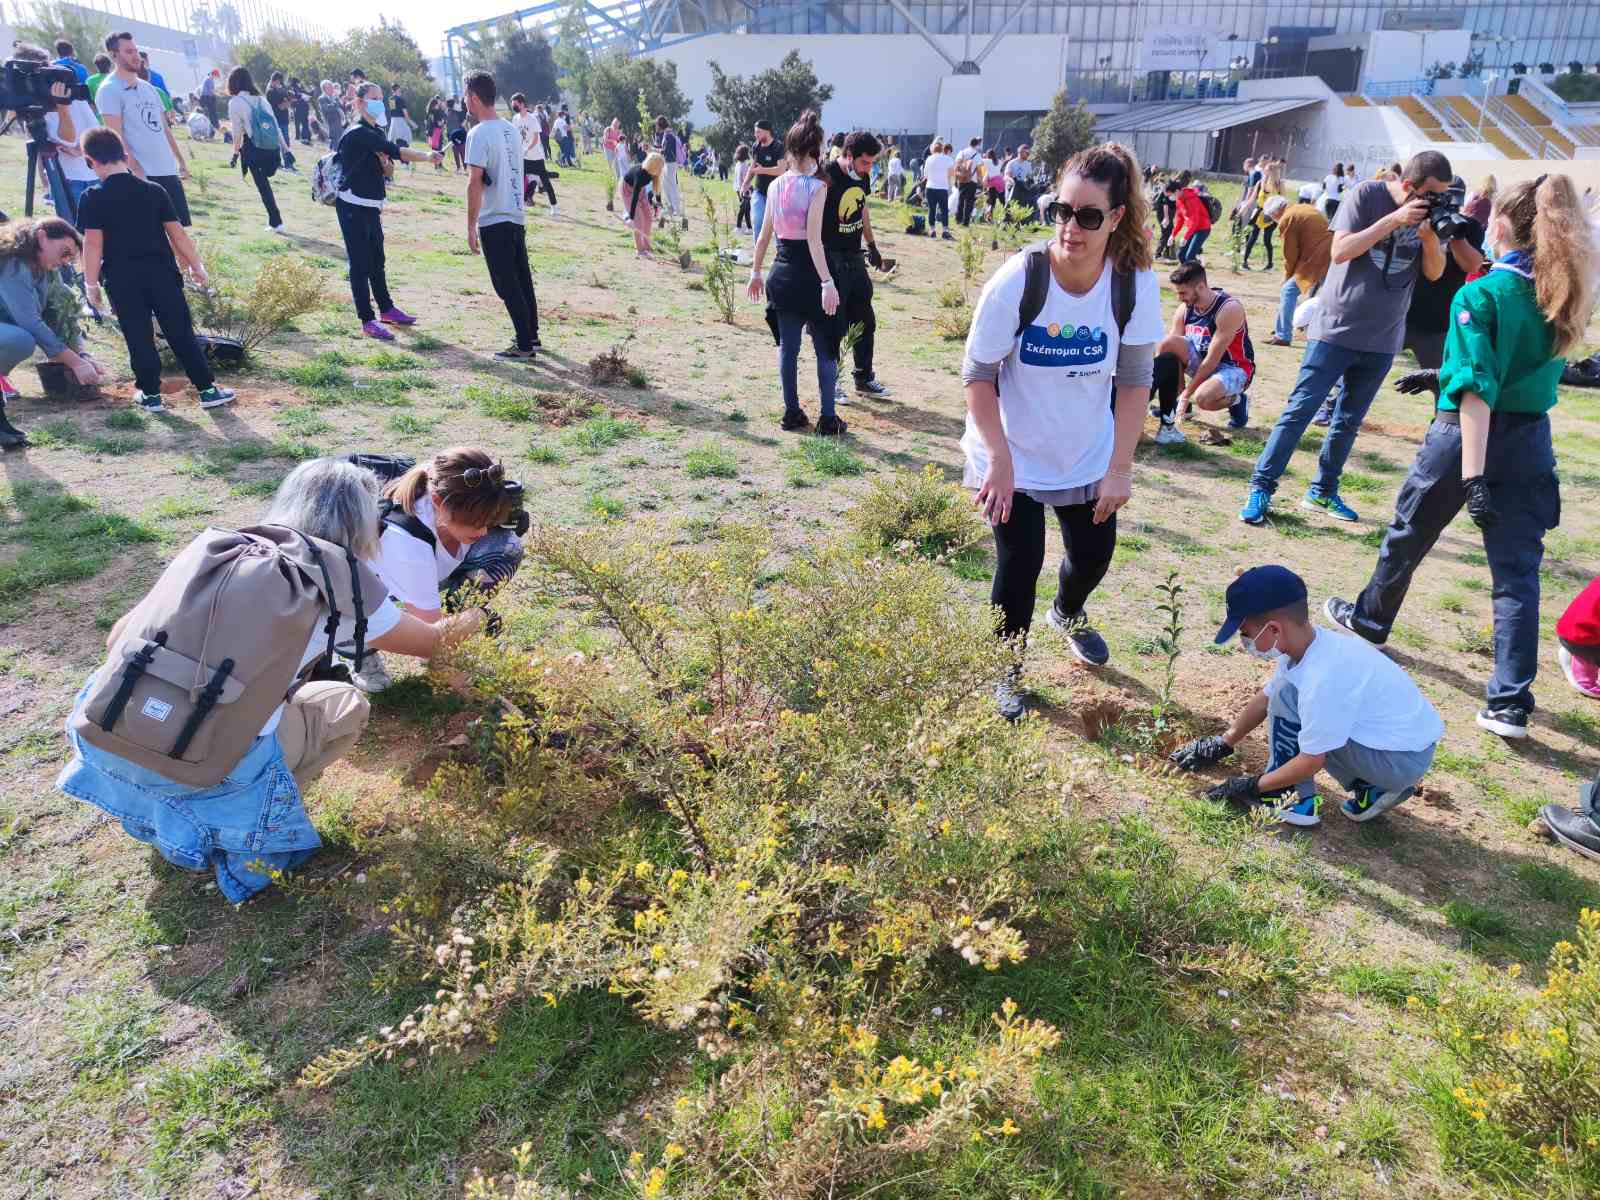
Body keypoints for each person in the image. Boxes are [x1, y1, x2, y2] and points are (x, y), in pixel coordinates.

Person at [56, 457, 486, 902]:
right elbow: (434, 642)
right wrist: (479, 610)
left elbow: (115, 638)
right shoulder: (342, 582)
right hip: (204, 765)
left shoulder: (216, 546)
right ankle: (250, 831)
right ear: (362, 521)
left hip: (106, 732)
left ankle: (158, 807)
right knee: (344, 704)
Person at [1325, 173, 1596, 740]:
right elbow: (1515, 369)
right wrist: (1444, 374)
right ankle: (1510, 701)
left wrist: (1472, 476)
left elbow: (1478, 392)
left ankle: (1372, 617)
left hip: (1464, 439)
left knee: (1410, 530)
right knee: (1517, 572)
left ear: (1499, 224)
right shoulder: (1558, 293)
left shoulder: (1480, 293)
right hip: (1529, 442)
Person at [962, 143, 1163, 717]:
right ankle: (1006, 669)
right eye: (1061, 210)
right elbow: (977, 373)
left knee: (1095, 552)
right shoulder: (1020, 279)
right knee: (1019, 563)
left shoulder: (1133, 282)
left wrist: (1120, 467)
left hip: (1085, 451)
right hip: (1012, 452)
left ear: (1117, 217)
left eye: (1088, 215)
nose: (1071, 227)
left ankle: (1069, 611)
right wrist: (998, 459)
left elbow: (1133, 380)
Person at [1239, 151, 1453, 526]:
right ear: (1408, 186)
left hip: (1383, 338)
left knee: (1348, 421)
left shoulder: (1431, 219)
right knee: (1299, 412)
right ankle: (1262, 486)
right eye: (1430, 195)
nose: (1434, 203)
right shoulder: (1367, 196)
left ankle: (1322, 490)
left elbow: (1434, 273)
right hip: (1336, 330)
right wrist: (1393, 220)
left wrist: (1430, 239)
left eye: (1442, 196)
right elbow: (1340, 251)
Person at [1169, 565, 1443, 827]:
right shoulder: (1310, 647)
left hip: (1398, 761)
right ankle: (1372, 788)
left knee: (1290, 701)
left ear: (1274, 629)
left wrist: (1251, 785)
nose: (1244, 642)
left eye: (1245, 633)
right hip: (1401, 751)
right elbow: (1266, 697)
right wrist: (1223, 742)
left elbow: (1313, 759)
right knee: (1286, 696)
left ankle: (1291, 798)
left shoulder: (1321, 679)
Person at [75, 128, 231, 414]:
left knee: (138, 335)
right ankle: (208, 390)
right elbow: (178, 235)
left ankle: (150, 395)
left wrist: (91, 285)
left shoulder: (92, 197)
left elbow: (93, 245)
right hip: (162, 275)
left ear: (90, 160)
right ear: (124, 155)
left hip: (122, 280)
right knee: (181, 331)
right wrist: (197, 267)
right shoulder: (153, 191)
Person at [357, 448, 525, 692]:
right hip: (359, 596)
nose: (483, 532)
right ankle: (359, 647)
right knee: (444, 633)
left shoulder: (451, 491)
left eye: (488, 520)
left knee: (506, 547)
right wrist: (477, 691)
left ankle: (452, 629)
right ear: (437, 502)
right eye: (474, 523)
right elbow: (429, 639)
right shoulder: (406, 545)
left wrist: (505, 515)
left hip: (418, 570)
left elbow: (489, 532)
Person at [747, 110, 845, 436]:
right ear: (815, 149)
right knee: (826, 348)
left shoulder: (774, 186)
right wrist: (827, 282)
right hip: (811, 277)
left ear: (790, 149)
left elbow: (763, 237)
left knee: (788, 350)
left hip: (781, 275)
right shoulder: (816, 188)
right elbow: (815, 241)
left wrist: (756, 272)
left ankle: (792, 413)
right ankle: (828, 419)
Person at [334, 83, 443, 341]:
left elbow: (389, 169)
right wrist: (427, 156)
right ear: (360, 103)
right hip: (352, 205)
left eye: (381, 98)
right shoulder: (359, 132)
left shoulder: (375, 131)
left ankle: (387, 309)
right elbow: (397, 150)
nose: (379, 103)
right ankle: (367, 319)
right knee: (360, 265)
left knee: (377, 261)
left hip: (371, 205)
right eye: (374, 99)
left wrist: (385, 164)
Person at [0, 218, 106, 446]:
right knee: (19, 340)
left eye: (70, 257)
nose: (66, 261)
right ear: (41, 236)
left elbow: (62, 311)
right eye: (64, 251)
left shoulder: (46, 269)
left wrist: (82, 355)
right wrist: (75, 364)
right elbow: (30, 322)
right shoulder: (12, 264)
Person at [463, 72, 540, 362]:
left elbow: (475, 182)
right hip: (516, 214)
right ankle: (531, 335)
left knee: (505, 283)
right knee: (522, 280)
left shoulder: (478, 133)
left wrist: (470, 226)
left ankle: (523, 344)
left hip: (494, 218)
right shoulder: (510, 129)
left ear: (472, 97)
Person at [822, 130, 892, 401]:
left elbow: (862, 209)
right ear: (847, 155)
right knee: (834, 324)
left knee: (865, 320)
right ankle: (831, 382)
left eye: (872, 163)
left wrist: (872, 246)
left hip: (854, 256)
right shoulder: (826, 176)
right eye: (864, 162)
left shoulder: (861, 176)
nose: (868, 168)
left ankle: (864, 378)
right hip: (831, 257)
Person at [1150, 259, 1253, 443]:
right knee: (1167, 345)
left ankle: (1237, 400)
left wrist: (1188, 393)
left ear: (1201, 287)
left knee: (1203, 399)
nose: (1179, 298)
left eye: (1183, 293)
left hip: (1233, 367)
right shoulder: (1185, 308)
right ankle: (1181, 405)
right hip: (1202, 362)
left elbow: (1212, 361)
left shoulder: (1229, 308)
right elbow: (1171, 355)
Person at [96, 32, 191, 225]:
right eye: (129, 51)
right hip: (143, 175)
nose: (136, 56)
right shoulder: (109, 90)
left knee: (180, 232)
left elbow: (164, 129)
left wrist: (180, 161)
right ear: (113, 55)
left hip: (167, 170)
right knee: (156, 234)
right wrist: (136, 171)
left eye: (136, 51)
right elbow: (116, 137)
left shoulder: (148, 88)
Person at [9, 42, 99, 225]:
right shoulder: (38, 105)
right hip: (67, 178)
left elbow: (95, 132)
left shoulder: (71, 92)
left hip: (94, 175)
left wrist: (80, 150)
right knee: (74, 233)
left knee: (99, 234)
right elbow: (65, 139)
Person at [1266, 189, 1331, 347]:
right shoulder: (1303, 208)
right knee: (1329, 296)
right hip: (1331, 253)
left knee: (1288, 290)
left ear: (1276, 213)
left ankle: (1283, 334)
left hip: (1319, 257)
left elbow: (1290, 253)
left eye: (1272, 217)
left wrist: (1287, 276)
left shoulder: (1287, 218)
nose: (1274, 220)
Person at [227, 66, 286, 235]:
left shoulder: (235, 103)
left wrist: (235, 152)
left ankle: (276, 222)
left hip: (254, 149)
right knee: (266, 179)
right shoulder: (261, 99)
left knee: (263, 186)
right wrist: (285, 148)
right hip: (272, 148)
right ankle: (275, 221)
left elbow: (237, 132)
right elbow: (274, 124)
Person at [510, 93, 559, 215]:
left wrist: (527, 148)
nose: (513, 107)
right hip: (523, 158)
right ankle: (519, 204)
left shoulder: (532, 119)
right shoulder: (515, 119)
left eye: (515, 104)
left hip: (536, 157)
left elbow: (536, 139)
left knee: (545, 181)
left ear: (521, 104)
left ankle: (554, 206)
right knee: (518, 180)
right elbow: (515, 136)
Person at [748, 120, 785, 251]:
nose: (755, 135)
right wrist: (745, 184)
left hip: (777, 193)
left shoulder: (779, 147)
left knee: (778, 227)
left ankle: (780, 254)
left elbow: (781, 170)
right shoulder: (756, 146)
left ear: (767, 131)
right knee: (757, 221)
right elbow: (753, 167)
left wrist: (762, 170)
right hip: (759, 191)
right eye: (755, 132)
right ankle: (758, 253)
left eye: (758, 132)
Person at [1243, 158, 1284, 270]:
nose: (1264, 171)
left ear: (1272, 172)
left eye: (1266, 170)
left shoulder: (1279, 185)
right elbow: (1252, 198)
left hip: (1272, 214)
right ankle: (1244, 262)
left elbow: (1283, 201)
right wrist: (1243, 209)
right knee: (1253, 236)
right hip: (1260, 212)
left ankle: (1270, 264)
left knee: (1267, 239)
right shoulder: (1260, 183)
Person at [620, 152, 664, 256]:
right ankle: (640, 250)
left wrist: (659, 204)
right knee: (638, 220)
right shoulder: (640, 175)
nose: (662, 169)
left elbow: (656, 189)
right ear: (654, 166)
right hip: (628, 190)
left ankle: (646, 246)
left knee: (648, 217)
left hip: (641, 190)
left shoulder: (653, 174)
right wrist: (632, 217)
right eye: (660, 167)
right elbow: (634, 197)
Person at [1171, 172, 1212, 263]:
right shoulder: (1179, 200)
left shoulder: (1191, 199)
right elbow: (1180, 220)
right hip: (1193, 229)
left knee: (1189, 257)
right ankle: (1188, 273)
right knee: (1181, 256)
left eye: (1171, 195)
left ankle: (1195, 273)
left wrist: (1185, 237)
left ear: (1177, 191)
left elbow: (1195, 221)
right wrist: (1172, 235)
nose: (1170, 198)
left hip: (1203, 229)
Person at [654, 116, 684, 221]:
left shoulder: (668, 135)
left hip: (671, 163)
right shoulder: (668, 134)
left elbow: (665, 151)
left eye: (656, 125)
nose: (655, 127)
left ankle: (677, 209)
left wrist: (653, 149)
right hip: (668, 163)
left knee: (672, 186)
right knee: (666, 185)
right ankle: (671, 207)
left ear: (660, 125)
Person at [922, 139, 954, 239]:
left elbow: (925, 175)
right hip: (942, 188)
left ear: (933, 149)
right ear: (942, 149)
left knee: (932, 209)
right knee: (944, 210)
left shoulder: (929, 159)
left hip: (930, 187)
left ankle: (932, 230)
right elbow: (951, 174)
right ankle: (945, 230)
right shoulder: (947, 159)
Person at [954, 136, 982, 227]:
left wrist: (956, 178)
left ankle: (958, 219)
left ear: (969, 143)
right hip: (972, 180)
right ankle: (966, 222)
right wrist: (980, 181)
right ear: (977, 145)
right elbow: (979, 169)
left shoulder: (962, 152)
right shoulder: (977, 155)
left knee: (961, 199)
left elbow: (957, 165)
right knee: (969, 201)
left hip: (961, 179)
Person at [1153, 178, 1179, 259]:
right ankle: (1157, 254)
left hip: (1169, 213)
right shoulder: (1166, 191)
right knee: (1165, 233)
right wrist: (1166, 218)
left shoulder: (1176, 191)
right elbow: (1165, 205)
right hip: (1162, 213)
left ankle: (1168, 254)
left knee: (1171, 232)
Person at [733, 143, 753, 232]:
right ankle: (747, 228)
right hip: (744, 190)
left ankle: (740, 227)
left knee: (744, 209)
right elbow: (746, 179)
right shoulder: (745, 165)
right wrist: (749, 189)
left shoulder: (738, 164)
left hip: (738, 189)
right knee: (745, 209)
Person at [318, 79, 345, 145]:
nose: (331, 89)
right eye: (329, 87)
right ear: (324, 89)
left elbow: (341, 107)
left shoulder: (334, 97)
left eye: (331, 87)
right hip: (332, 123)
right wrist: (336, 101)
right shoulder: (322, 98)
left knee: (340, 141)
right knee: (335, 142)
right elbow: (327, 108)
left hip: (340, 122)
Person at [446, 97, 467, 172]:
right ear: (453, 104)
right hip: (459, 135)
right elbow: (463, 121)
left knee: (456, 152)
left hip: (452, 135)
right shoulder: (458, 113)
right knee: (462, 152)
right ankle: (465, 168)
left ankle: (459, 168)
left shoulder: (447, 113)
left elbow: (447, 126)